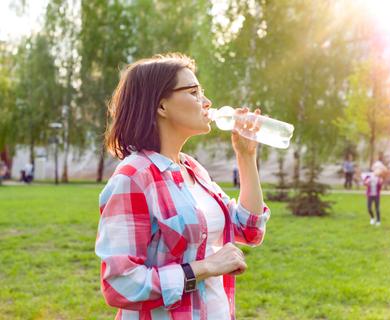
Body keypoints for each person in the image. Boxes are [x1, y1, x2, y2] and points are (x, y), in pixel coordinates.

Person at [95, 53, 270, 320]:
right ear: (161, 106)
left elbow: (249, 229)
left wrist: (246, 157)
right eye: (193, 92)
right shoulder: (133, 178)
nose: (207, 102)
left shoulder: (192, 169)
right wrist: (205, 267)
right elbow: (121, 284)